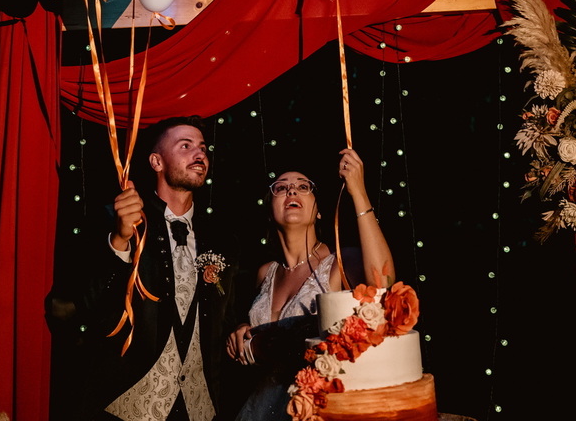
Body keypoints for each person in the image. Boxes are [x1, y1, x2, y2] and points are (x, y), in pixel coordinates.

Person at [45, 115, 239, 421]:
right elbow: (86, 308)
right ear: (156, 162)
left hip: (201, 408)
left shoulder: (221, 236)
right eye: (185, 146)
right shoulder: (117, 218)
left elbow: (227, 317)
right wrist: (120, 241)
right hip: (127, 406)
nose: (199, 154)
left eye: (202, 147)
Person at [223, 146, 394, 420]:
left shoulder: (340, 262)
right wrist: (242, 332)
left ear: (318, 212)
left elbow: (382, 282)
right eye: (281, 188)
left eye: (303, 187)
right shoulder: (265, 273)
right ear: (269, 211)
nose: (292, 190)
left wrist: (359, 193)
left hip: (319, 408)